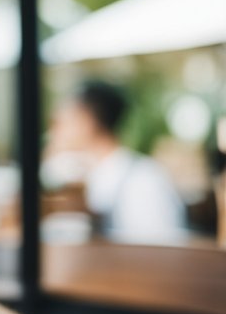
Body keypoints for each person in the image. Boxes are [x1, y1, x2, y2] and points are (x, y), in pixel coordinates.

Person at [46, 81, 186, 244]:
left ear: (87, 120)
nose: (52, 133)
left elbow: (164, 252)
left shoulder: (144, 180)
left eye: (59, 123)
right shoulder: (76, 176)